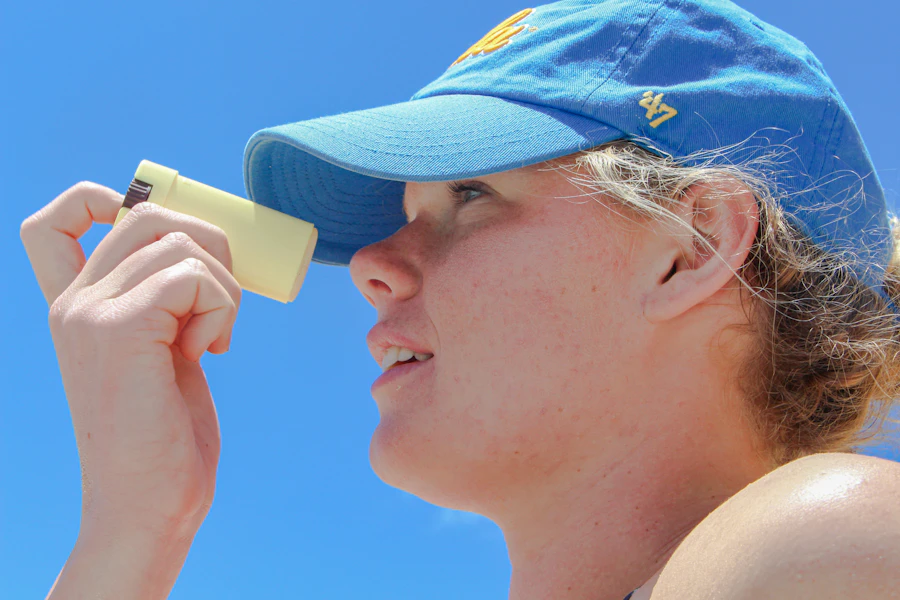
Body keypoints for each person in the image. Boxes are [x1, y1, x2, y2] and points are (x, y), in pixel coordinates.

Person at [20, 1, 900, 598]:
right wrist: (132, 523)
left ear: (693, 246)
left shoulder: (828, 541)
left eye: (470, 196)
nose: (371, 264)